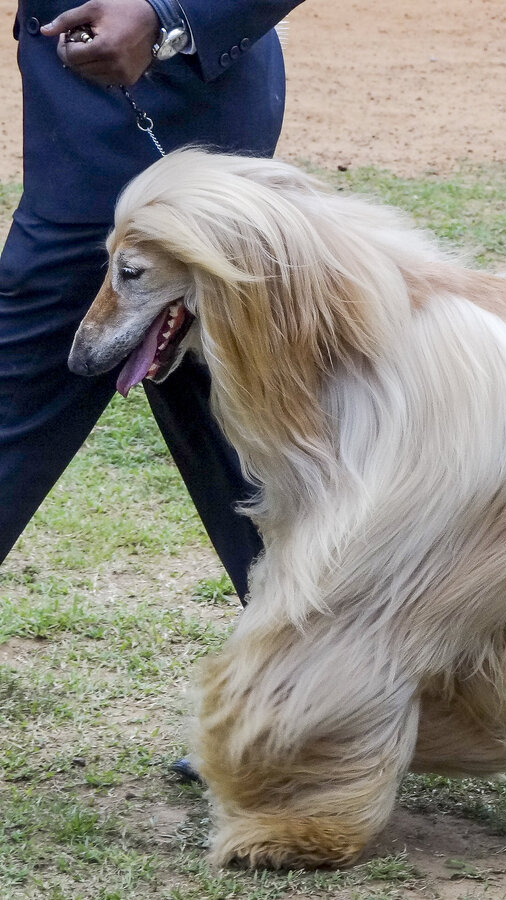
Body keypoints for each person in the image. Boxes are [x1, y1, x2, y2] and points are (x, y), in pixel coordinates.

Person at [1, 0, 305, 768]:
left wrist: (171, 16)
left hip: (199, 95)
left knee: (244, 433)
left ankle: (307, 706)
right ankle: (306, 701)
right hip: (70, 107)